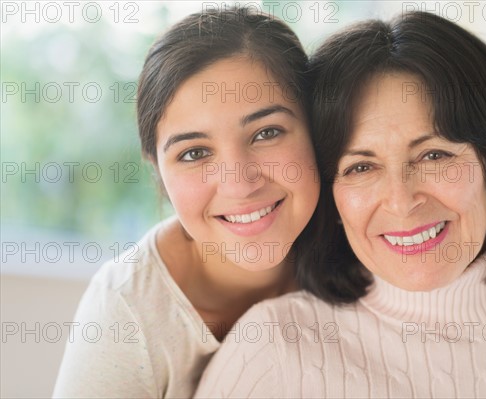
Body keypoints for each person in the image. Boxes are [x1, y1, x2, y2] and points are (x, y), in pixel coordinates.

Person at [195, 11, 486, 398]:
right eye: (361, 167)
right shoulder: (274, 347)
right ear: (330, 198)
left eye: (434, 155)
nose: (402, 202)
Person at [53, 7, 320, 398]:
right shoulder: (127, 311)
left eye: (266, 132)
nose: (240, 184)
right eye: (195, 154)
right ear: (158, 170)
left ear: (317, 128)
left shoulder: (372, 242)